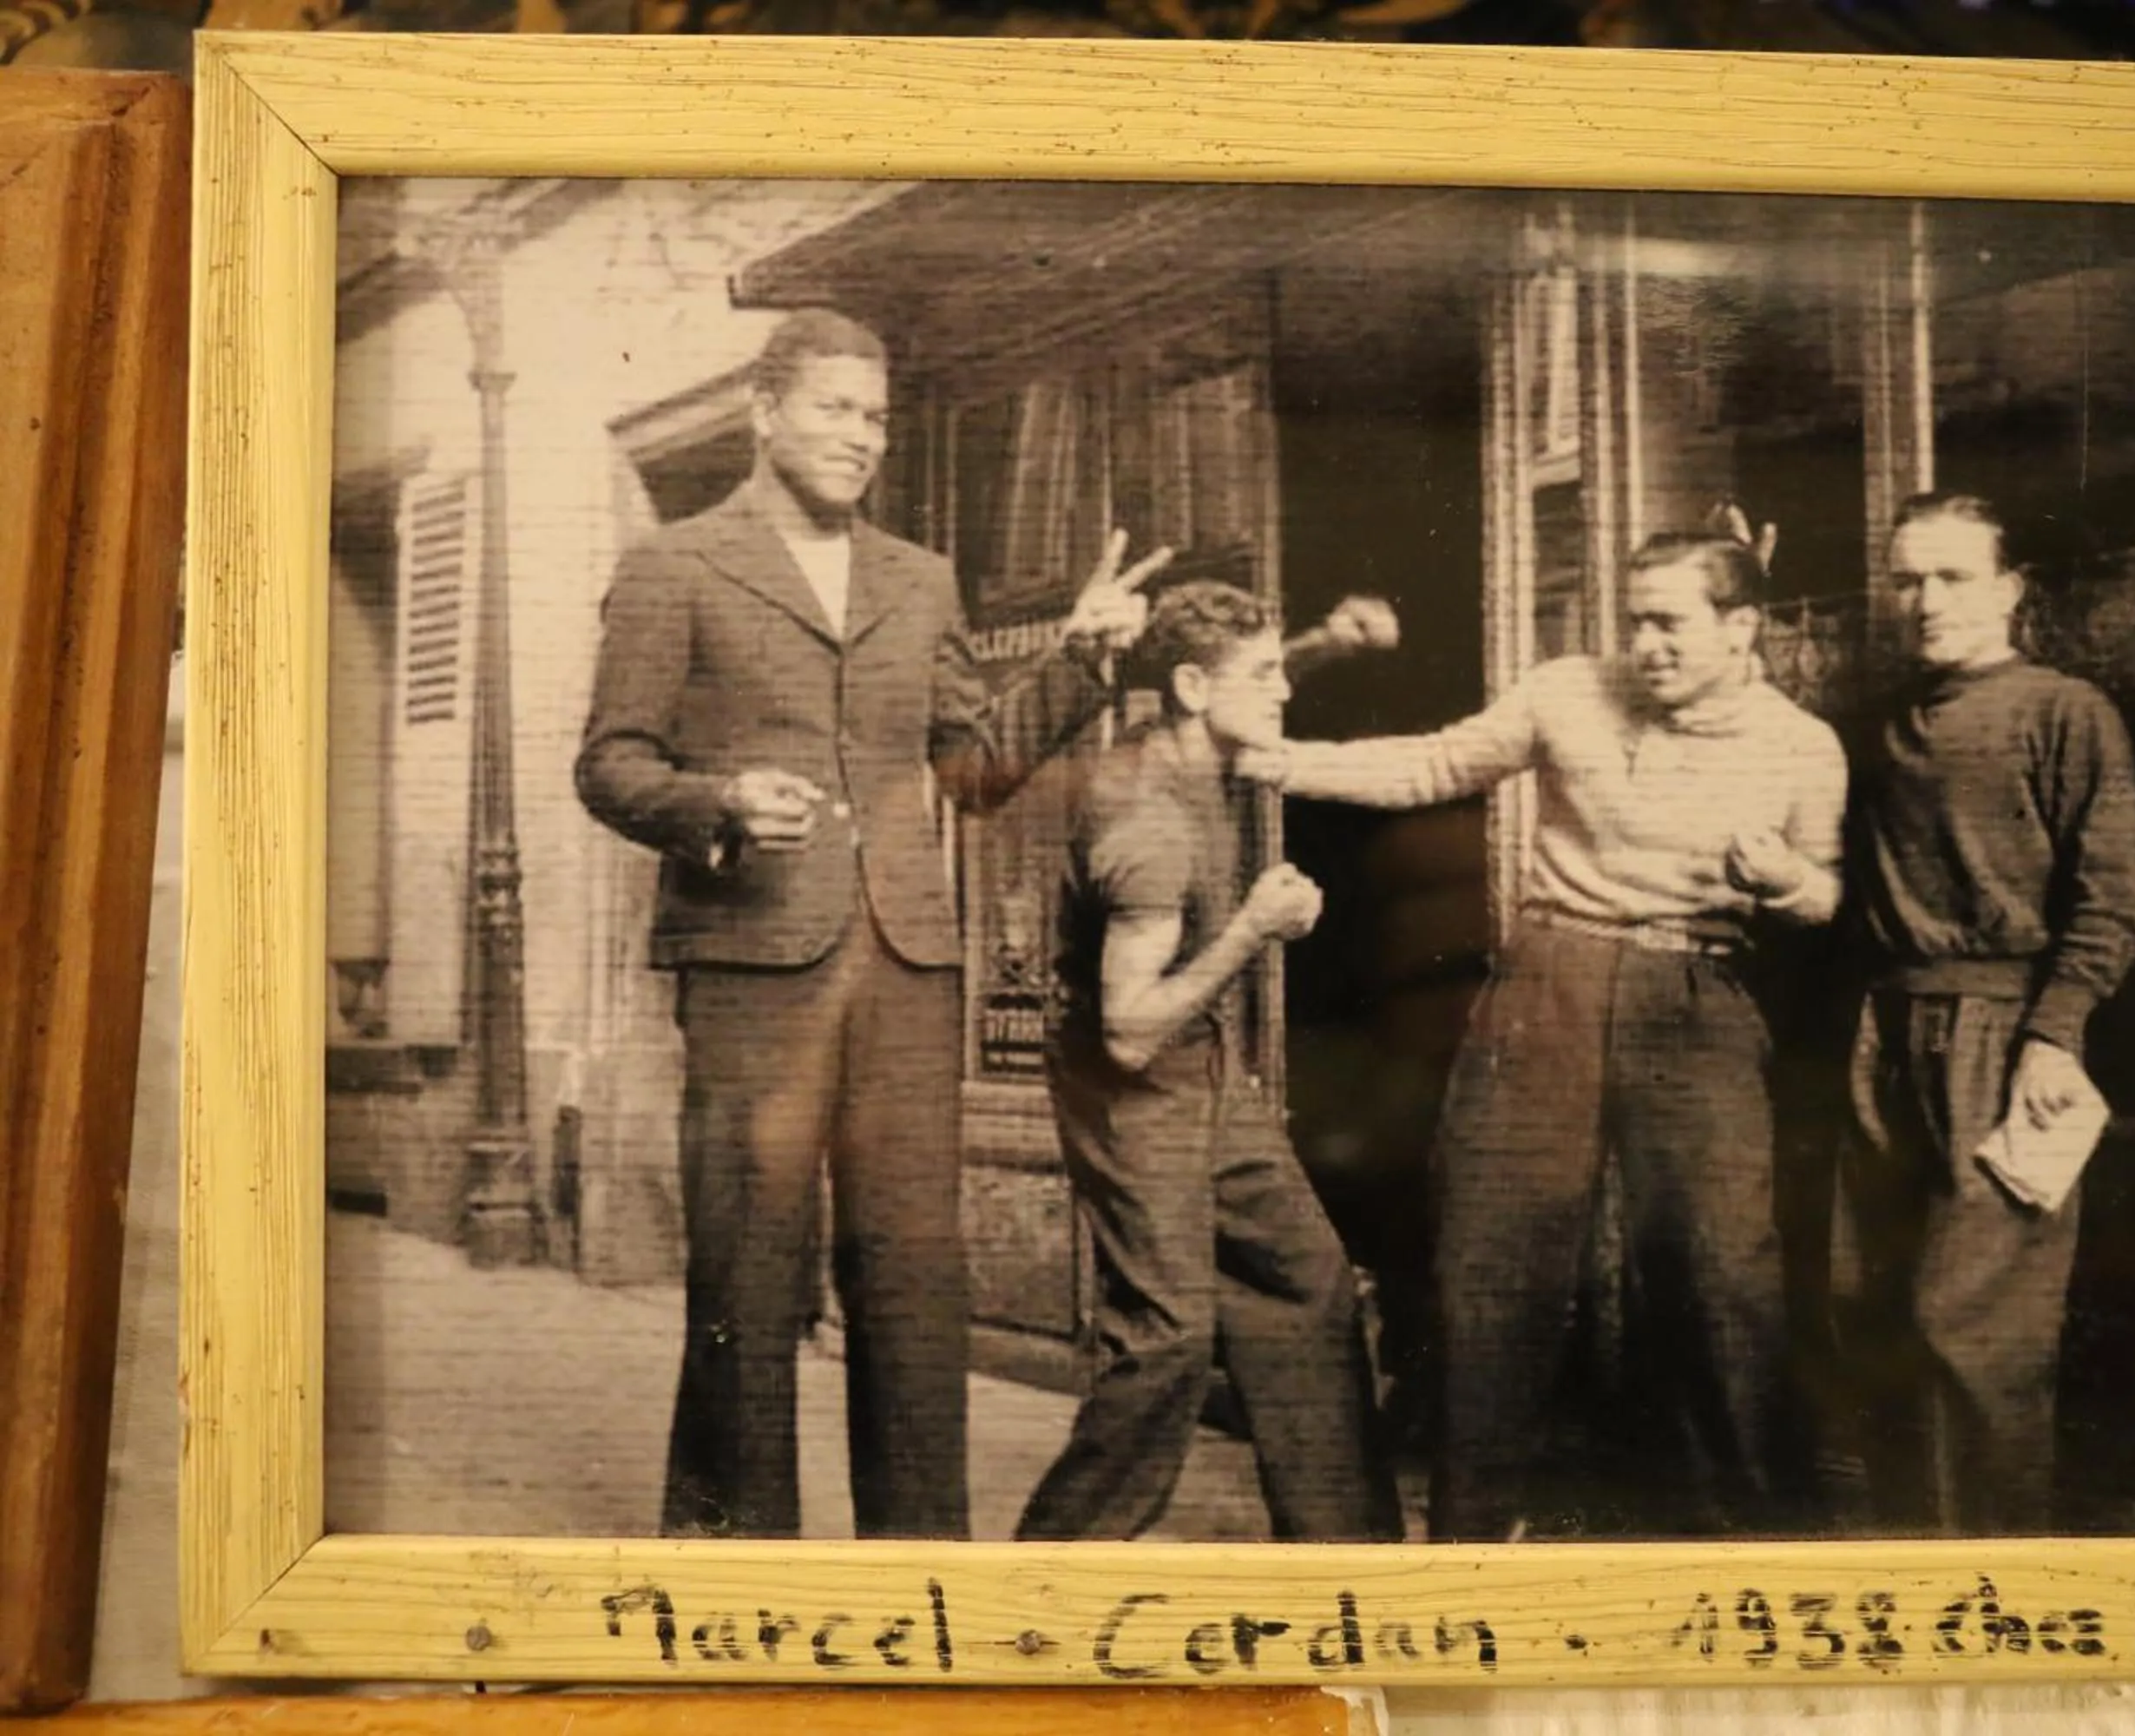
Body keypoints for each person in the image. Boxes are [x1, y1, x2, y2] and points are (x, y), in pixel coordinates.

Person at [574, 307, 1165, 1541]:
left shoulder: (918, 575)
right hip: (750, 967)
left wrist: (1082, 660)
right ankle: (741, 1568)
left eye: (878, 417)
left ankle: (919, 1572)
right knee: (749, 1271)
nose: (861, 437)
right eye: (836, 409)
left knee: (912, 1278)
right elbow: (610, 763)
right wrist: (713, 801)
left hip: (905, 961)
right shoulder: (675, 564)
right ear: (766, 411)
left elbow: (971, 772)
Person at [1244, 517, 1849, 1541]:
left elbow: (1824, 894)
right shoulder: (1568, 690)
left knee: (1722, 1278)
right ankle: (1471, 1543)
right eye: (1634, 620)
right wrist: (1279, 761)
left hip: (1699, 998)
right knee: (1493, 1262)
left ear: (1741, 626)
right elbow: (1434, 765)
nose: (1644, 644)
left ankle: (1759, 1552)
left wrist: (1786, 881)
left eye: (1669, 623)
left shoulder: (1803, 746)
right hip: (1550, 982)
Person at [1016, 580, 1407, 1542]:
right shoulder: (1144, 826)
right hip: (1128, 1081)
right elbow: (1129, 1031)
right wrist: (1253, 930)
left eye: (1283, 669)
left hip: (1202, 1066)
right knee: (1166, 1340)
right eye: (1267, 674)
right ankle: (1040, 1585)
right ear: (1192, 687)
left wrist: (1325, 640)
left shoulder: (1196, 735)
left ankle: (1352, 1570)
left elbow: (1231, 683)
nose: (1285, 690)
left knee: (1305, 1279)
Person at [1834, 490, 2135, 1537]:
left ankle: (1995, 1583)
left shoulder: (2064, 711)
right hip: (1882, 1035)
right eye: (1907, 579)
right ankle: (1910, 1575)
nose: (1925, 601)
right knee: (1870, 1313)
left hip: (2004, 1035)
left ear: (2011, 590)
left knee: (1969, 1326)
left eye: (1953, 577)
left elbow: (2123, 895)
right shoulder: (1884, 719)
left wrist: (2052, 1033)